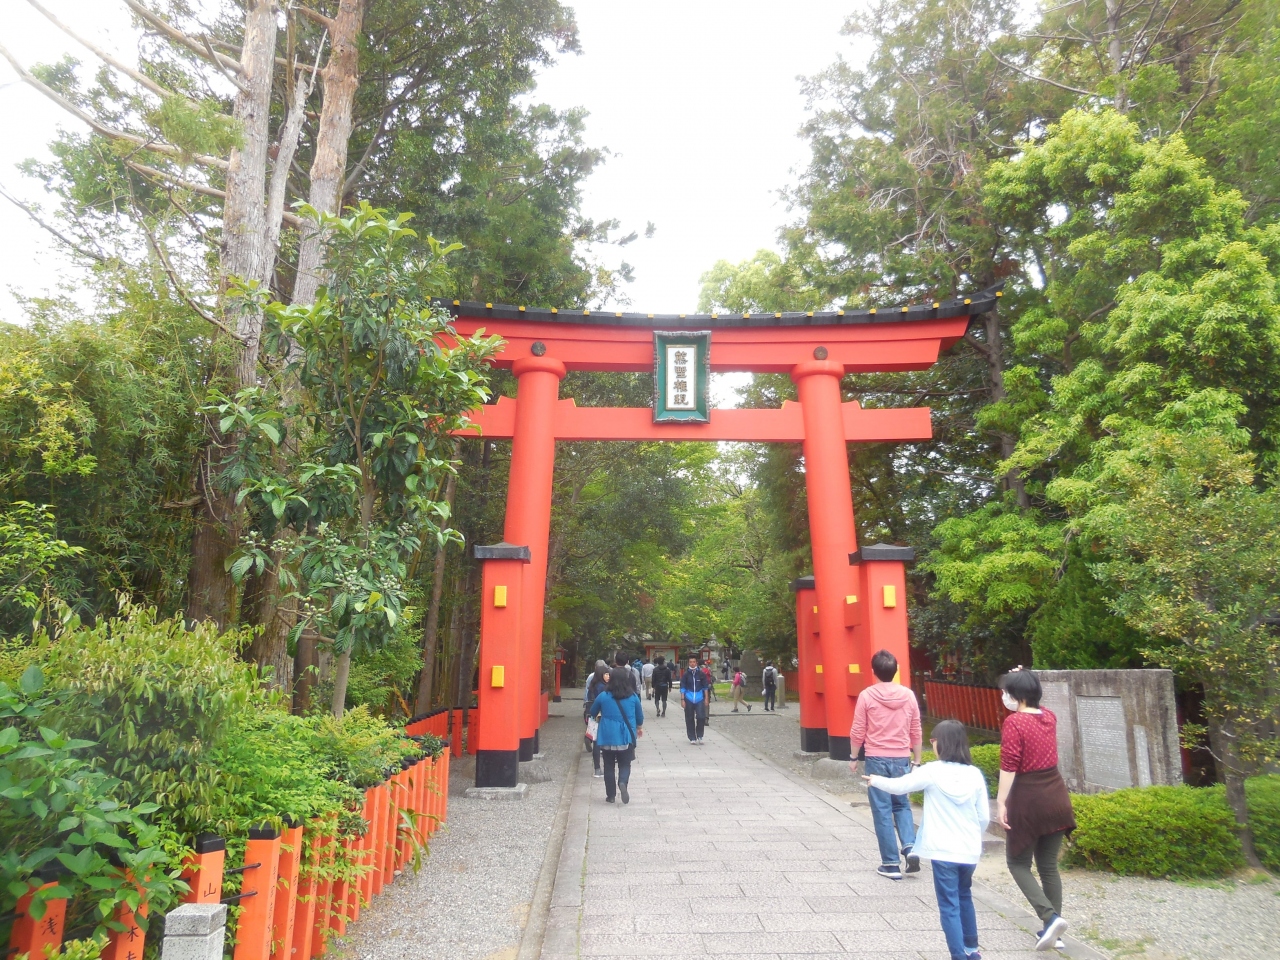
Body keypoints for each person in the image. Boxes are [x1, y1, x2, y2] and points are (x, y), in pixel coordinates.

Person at [864, 720, 990, 960]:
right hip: (968, 849)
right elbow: (983, 816)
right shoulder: (974, 774)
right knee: (964, 895)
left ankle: (957, 955)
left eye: (933, 741)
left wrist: (875, 780)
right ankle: (972, 949)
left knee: (948, 904)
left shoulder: (932, 771)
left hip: (943, 850)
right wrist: (973, 837)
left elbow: (900, 787)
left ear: (941, 744)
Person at [996, 668, 1076, 952]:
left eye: (1006, 691)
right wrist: (1022, 673)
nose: (1004, 695)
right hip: (1057, 797)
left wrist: (1001, 802)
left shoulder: (1014, 723)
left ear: (1015, 695)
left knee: (1017, 863)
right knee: (1048, 866)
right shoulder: (1049, 717)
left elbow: (1009, 765)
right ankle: (1054, 931)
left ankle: (1050, 917)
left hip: (1029, 800)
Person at [848, 649, 923, 880]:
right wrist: (917, 760)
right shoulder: (908, 695)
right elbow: (916, 729)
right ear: (896, 670)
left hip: (876, 758)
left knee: (882, 810)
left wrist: (853, 757)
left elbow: (858, 729)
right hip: (901, 757)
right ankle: (910, 847)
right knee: (901, 805)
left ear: (874, 672)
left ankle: (891, 864)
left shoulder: (867, 695)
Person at [589, 667, 644, 804]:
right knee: (625, 764)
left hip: (607, 734)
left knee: (608, 765)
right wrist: (639, 727)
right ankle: (623, 782)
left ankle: (611, 795)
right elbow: (640, 716)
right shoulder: (633, 697)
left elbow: (593, 711)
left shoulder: (603, 696)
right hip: (626, 735)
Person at [584, 661, 610, 776]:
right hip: (603, 716)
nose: (608, 676)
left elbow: (588, 699)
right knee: (604, 743)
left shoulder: (592, 686)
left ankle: (597, 769)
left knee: (596, 742)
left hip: (593, 715)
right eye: (606, 674)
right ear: (601, 674)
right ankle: (604, 767)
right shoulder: (603, 687)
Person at [679, 655, 712, 743]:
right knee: (689, 718)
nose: (692, 664)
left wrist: (706, 699)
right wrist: (682, 700)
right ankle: (692, 737)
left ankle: (700, 735)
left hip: (699, 697)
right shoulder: (686, 674)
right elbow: (683, 687)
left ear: (696, 663)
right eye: (690, 662)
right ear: (688, 663)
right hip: (689, 697)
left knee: (701, 717)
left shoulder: (701, 674)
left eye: (694, 662)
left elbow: (705, 687)